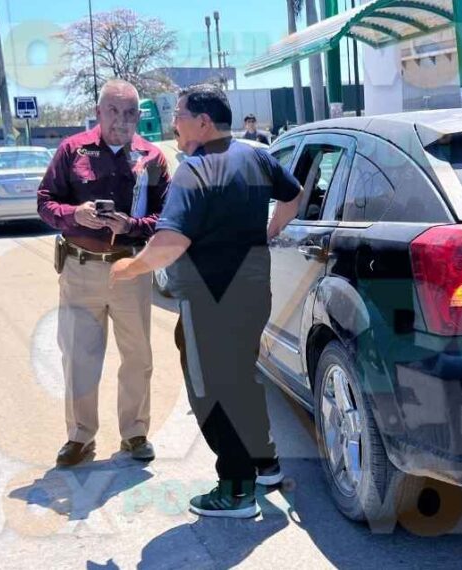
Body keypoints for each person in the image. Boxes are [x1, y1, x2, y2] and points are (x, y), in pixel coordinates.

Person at [110, 84, 303, 518]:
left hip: (210, 298)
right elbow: (292, 196)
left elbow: (171, 241)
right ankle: (264, 462)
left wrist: (131, 268)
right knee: (242, 378)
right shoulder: (256, 154)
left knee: (210, 389)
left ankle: (235, 488)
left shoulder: (194, 170)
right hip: (254, 291)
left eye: (178, 113)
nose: (172, 121)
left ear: (202, 121)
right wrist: (267, 233)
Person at [37, 79, 171, 468]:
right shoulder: (71, 150)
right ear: (98, 113)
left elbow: (165, 215)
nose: (122, 120)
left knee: (137, 356)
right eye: (113, 111)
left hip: (131, 268)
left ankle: (135, 433)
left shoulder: (152, 158)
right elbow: (45, 202)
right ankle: (80, 437)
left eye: (130, 113)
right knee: (79, 357)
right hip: (80, 268)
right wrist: (73, 214)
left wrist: (131, 224)